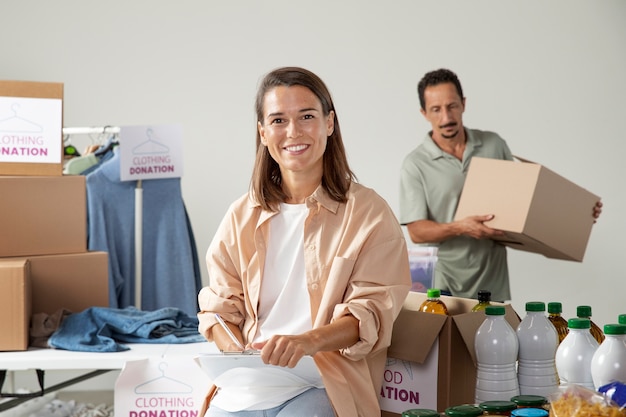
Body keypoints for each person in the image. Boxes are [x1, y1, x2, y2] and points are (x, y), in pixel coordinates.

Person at [197, 66, 411, 417]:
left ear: (329, 123)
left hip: (323, 385)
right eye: (278, 120)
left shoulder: (369, 213)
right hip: (245, 387)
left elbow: (371, 312)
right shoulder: (240, 216)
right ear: (263, 133)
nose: (293, 132)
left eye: (306, 116)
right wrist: (238, 351)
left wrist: (305, 342)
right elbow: (219, 310)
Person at [399, 68, 602, 302]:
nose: (446, 117)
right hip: (444, 284)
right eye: (436, 109)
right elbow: (416, 231)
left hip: (492, 282)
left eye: (452, 105)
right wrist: (461, 227)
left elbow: (524, 202)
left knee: (490, 340)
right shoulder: (415, 164)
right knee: (449, 340)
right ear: (424, 113)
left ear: (463, 104)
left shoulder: (493, 145)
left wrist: (579, 214)